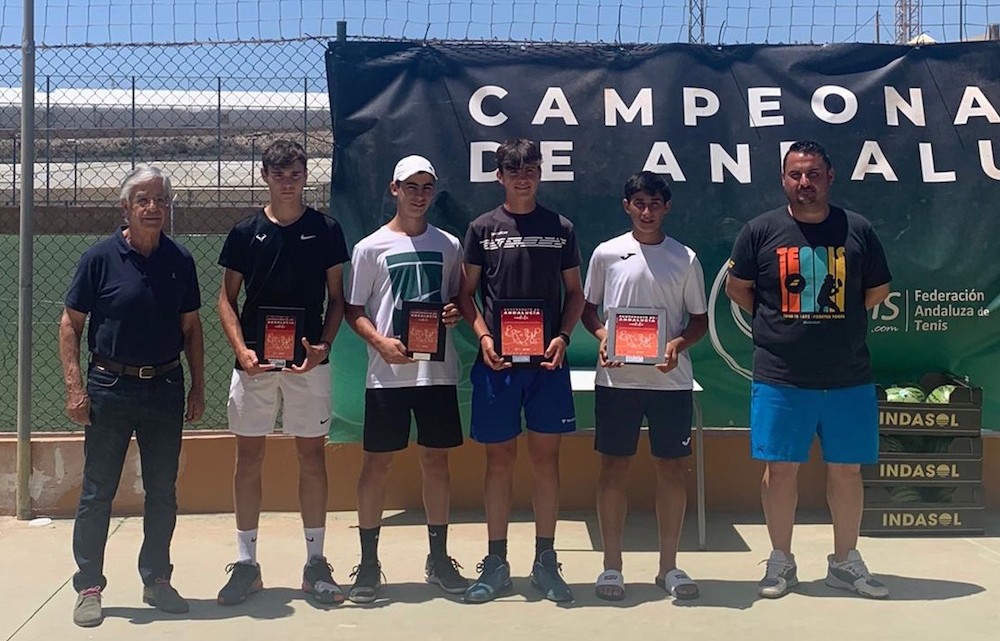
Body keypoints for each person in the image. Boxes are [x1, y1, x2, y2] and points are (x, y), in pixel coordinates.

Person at [725, 140, 892, 600]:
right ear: (784, 179)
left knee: (847, 472)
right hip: (781, 376)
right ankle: (781, 561)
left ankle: (844, 562)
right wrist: (777, 322)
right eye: (796, 174)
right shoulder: (760, 231)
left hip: (848, 376)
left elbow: (876, 291)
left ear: (829, 176)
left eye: (813, 173)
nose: (805, 183)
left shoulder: (857, 229)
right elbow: (739, 288)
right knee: (780, 472)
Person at [59, 165, 205, 627]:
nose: (153, 207)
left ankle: (157, 579)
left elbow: (191, 328)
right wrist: (75, 388)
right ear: (125, 206)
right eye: (143, 199)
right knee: (98, 492)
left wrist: (198, 386)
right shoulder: (98, 258)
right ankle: (88, 586)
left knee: (162, 492)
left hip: (164, 387)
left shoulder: (181, 260)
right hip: (110, 387)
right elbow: (70, 325)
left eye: (161, 200)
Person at [216, 139, 349, 606]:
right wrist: (242, 350)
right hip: (254, 366)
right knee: (247, 460)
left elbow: (337, 299)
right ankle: (247, 564)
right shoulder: (244, 231)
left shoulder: (327, 230)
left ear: (305, 175)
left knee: (312, 458)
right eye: (279, 173)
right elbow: (225, 300)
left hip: (308, 364)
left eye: (295, 173)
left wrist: (323, 348)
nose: (287, 181)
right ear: (264, 176)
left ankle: (315, 563)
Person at [457, 138, 584, 604]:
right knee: (500, 462)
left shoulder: (561, 227)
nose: (523, 176)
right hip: (498, 365)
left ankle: (545, 562)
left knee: (545, 461)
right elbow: (464, 295)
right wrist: (485, 338)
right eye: (513, 170)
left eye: (530, 168)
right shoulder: (481, 228)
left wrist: (564, 337)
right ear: (500, 176)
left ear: (540, 172)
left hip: (548, 364)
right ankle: (496, 562)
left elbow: (575, 294)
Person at [344, 155, 469, 602]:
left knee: (436, 462)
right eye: (410, 186)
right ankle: (369, 565)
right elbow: (354, 310)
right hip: (388, 377)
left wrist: (453, 314)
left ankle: (438, 560)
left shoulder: (450, 244)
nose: (419, 195)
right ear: (393, 189)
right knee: (376, 465)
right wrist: (380, 343)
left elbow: (454, 302)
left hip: (436, 374)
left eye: (426, 187)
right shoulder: (369, 248)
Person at [581, 171, 708, 601]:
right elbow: (588, 311)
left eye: (655, 203)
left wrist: (675, 344)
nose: (647, 211)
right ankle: (611, 567)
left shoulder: (685, 258)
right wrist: (603, 338)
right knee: (613, 469)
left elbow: (699, 320)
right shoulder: (605, 254)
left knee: (671, 469)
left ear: (667, 206)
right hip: (617, 380)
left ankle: (668, 566)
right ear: (626, 206)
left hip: (669, 382)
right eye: (639, 203)